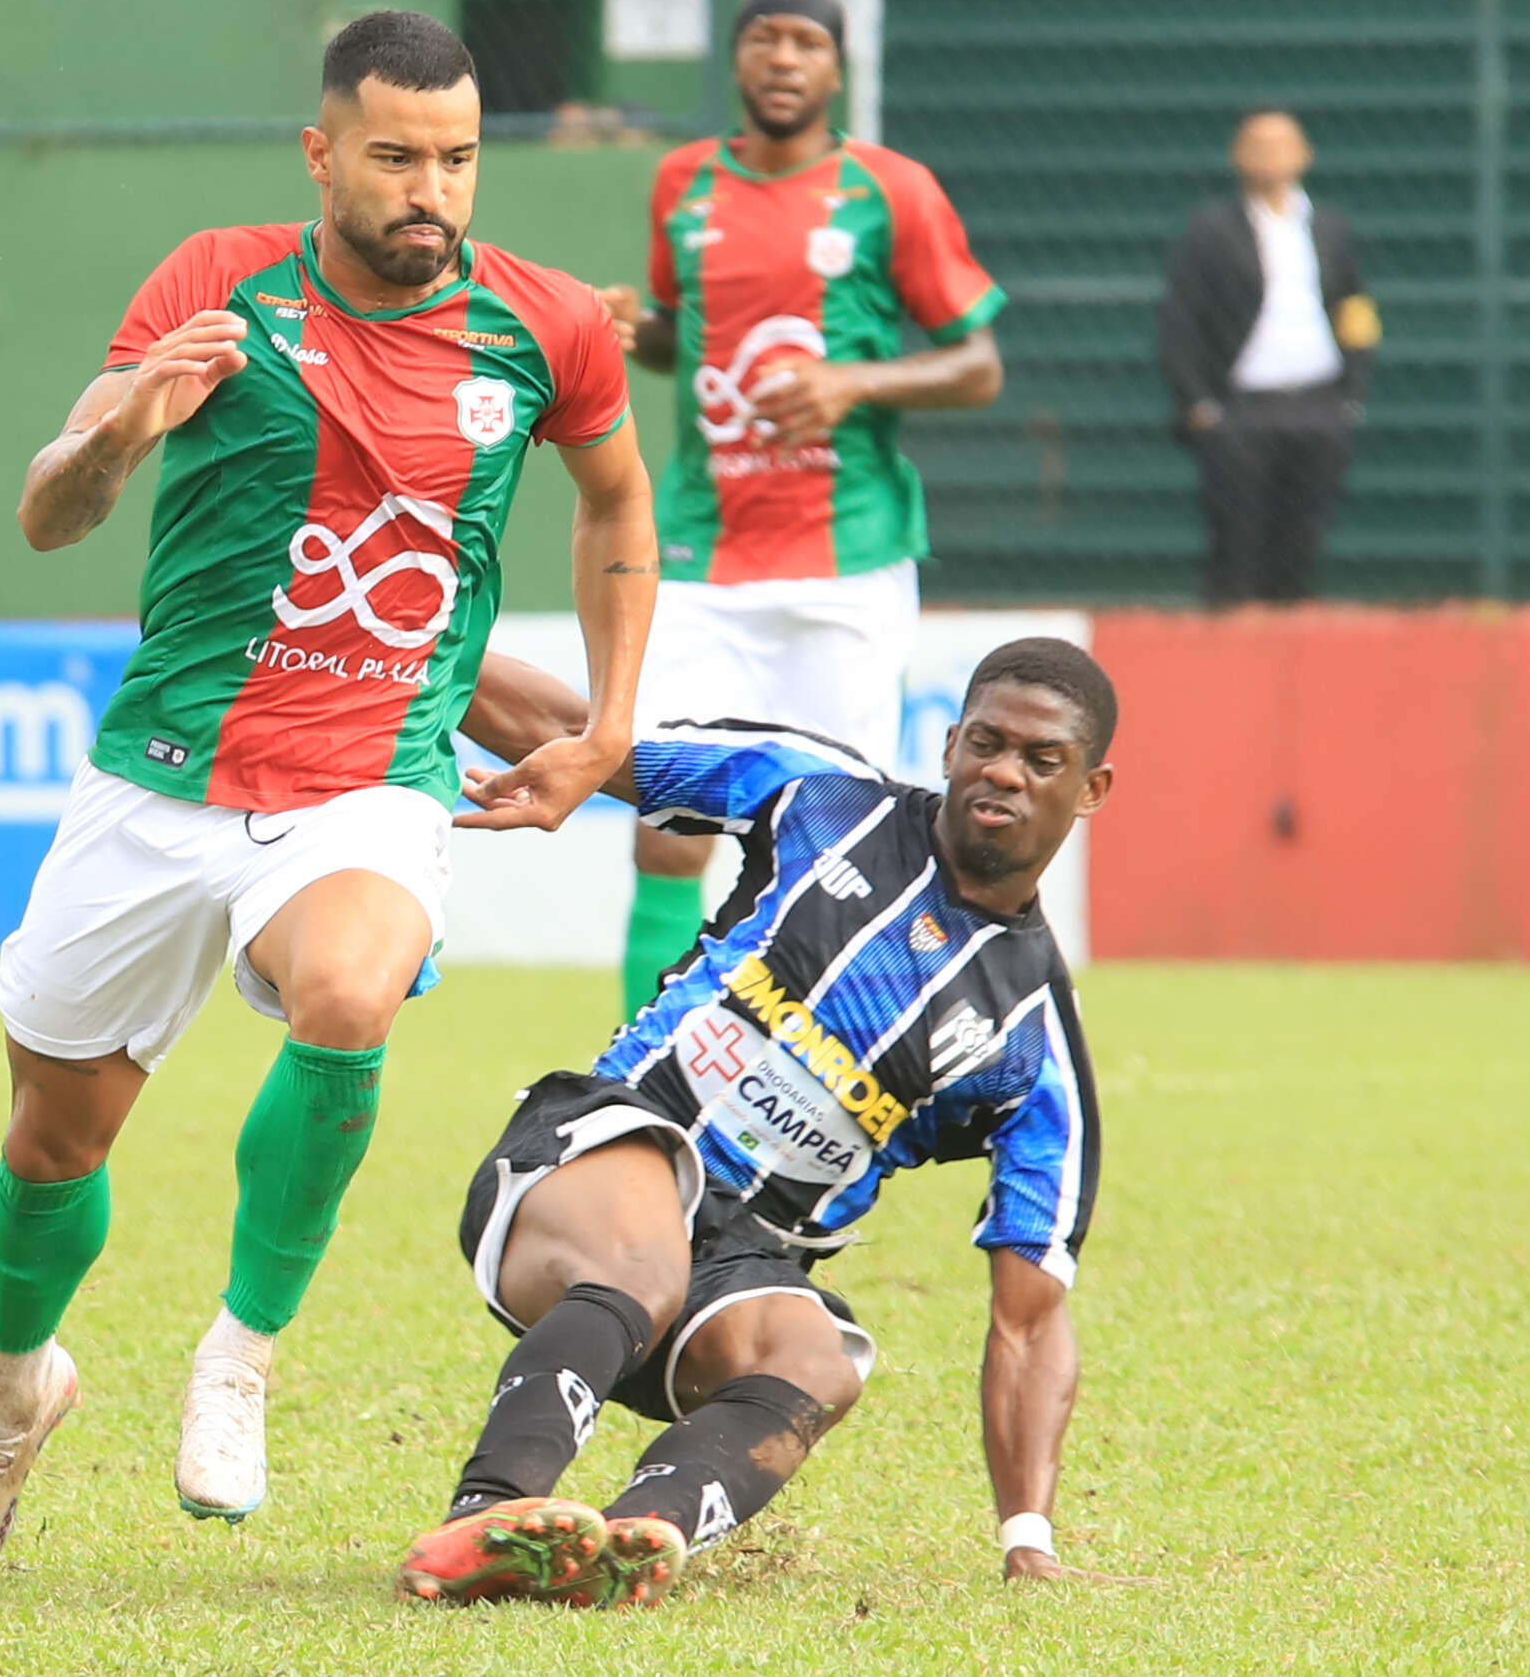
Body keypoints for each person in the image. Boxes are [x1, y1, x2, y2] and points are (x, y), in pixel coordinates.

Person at [0, 10, 657, 1583]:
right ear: (322, 152)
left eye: (456, 160)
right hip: (164, 776)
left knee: (348, 990)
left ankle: (240, 1352)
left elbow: (617, 503)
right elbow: (53, 510)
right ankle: (11, 1394)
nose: (430, 190)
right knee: (54, 1144)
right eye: (395, 156)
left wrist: (610, 725)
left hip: (368, 782)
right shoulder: (216, 281)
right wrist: (121, 426)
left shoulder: (542, 325)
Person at [394, 636, 1123, 1608]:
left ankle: (629, 1540)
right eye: (985, 742)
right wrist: (412, 648)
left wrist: (1026, 1535)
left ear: (1090, 790)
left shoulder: (1034, 1047)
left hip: (737, 1263)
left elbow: (1028, 1319)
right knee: (642, 1248)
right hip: (596, 1151)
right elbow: (587, 738)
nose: (1003, 771)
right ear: (948, 744)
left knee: (822, 1358)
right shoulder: (818, 796)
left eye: (1043, 760)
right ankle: (482, 1516)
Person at [596, 0, 1006, 1018]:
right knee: (663, 819)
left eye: (806, 43)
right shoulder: (682, 184)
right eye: (765, 39)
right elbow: (674, 343)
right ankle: (636, 1071)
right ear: (736, 59)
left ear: (838, 65)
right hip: (699, 559)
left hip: (847, 562)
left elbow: (976, 365)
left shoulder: (890, 190)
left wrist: (851, 381)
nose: (784, 59)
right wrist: (625, 325)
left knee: (844, 838)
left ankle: (820, 1053)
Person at [1156, 105, 1379, 605]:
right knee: (1237, 542)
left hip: (1319, 404)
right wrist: (1199, 403)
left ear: (1305, 155)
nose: (1270, 157)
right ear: (1237, 156)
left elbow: (1356, 308)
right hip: (1241, 410)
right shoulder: (1210, 231)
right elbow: (1180, 320)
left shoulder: (1330, 229)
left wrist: (1353, 393)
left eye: (1281, 145)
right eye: (1257, 146)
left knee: (1303, 538)